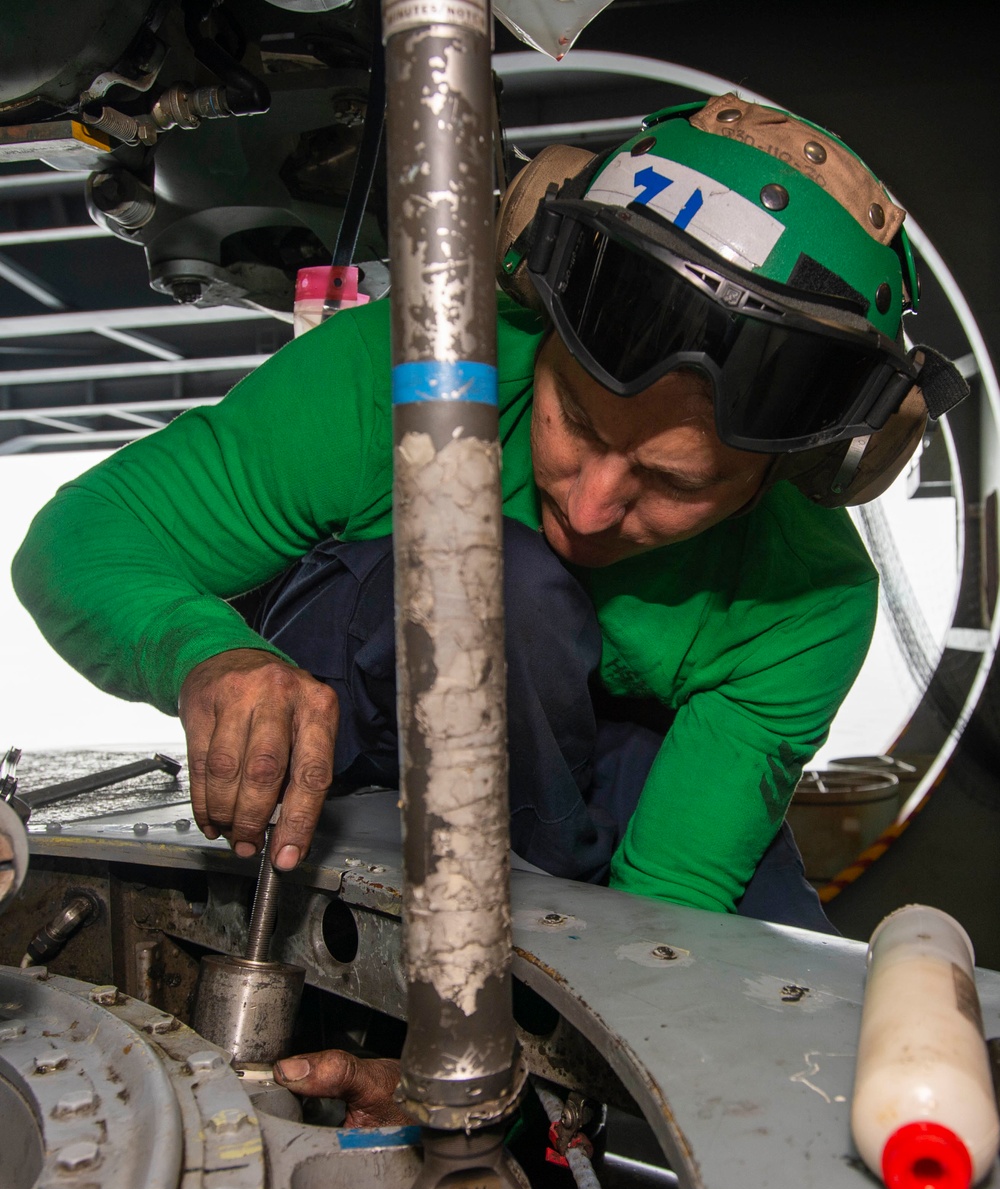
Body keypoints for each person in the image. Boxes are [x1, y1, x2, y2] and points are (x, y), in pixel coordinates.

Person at [13, 94, 964, 935]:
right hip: (358, 675)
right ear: (535, 315)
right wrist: (208, 655)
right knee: (499, 581)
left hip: (592, 754)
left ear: (798, 467)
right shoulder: (406, 374)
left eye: (675, 484)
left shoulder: (812, 601)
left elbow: (666, 903)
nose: (591, 506)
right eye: (576, 420)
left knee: (778, 974)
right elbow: (77, 542)